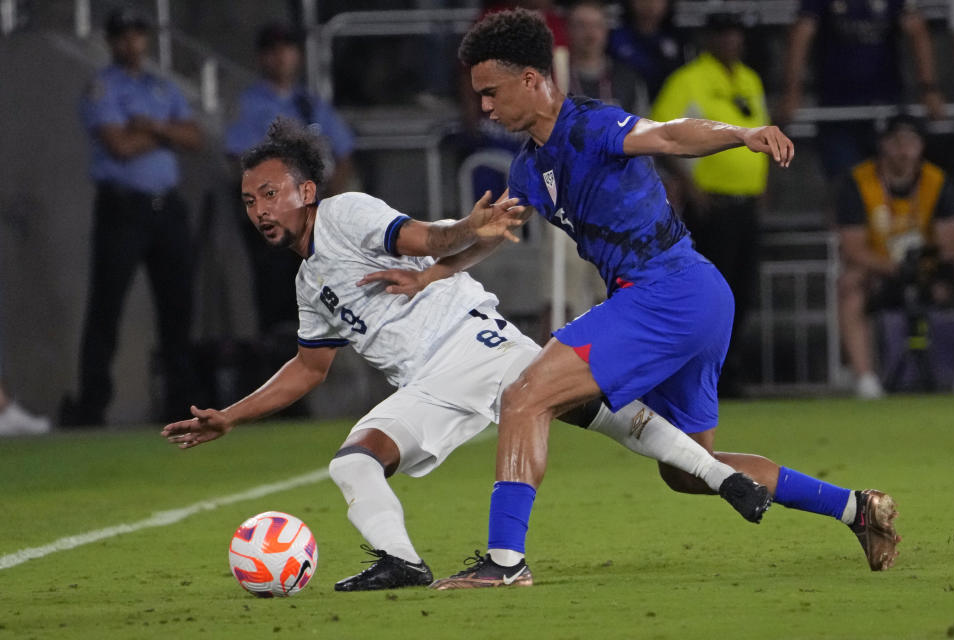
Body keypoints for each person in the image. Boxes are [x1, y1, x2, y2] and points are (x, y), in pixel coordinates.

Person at [161, 118, 771, 592]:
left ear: (308, 190)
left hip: (466, 346)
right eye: (249, 202)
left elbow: (427, 240)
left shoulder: (344, 214)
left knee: (605, 413)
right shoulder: (306, 283)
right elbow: (309, 367)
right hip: (436, 380)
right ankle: (402, 563)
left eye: (270, 194)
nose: (261, 210)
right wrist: (231, 416)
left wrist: (467, 231)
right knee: (357, 463)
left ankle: (714, 479)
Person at [421, 9, 899, 589]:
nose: (486, 108)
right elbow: (495, 235)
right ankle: (857, 510)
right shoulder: (529, 166)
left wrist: (741, 135)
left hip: (666, 293)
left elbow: (671, 133)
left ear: (530, 78)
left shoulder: (591, 126)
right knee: (689, 470)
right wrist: (434, 273)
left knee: (524, 397)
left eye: (491, 93)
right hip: (691, 296)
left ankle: (503, 563)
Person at [60, 7, 203, 426]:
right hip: (123, 207)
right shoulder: (102, 87)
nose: (131, 43)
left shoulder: (162, 86)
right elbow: (118, 145)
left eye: (137, 34)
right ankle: (92, 404)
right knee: (107, 306)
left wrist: (152, 127)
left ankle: (182, 400)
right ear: (110, 41)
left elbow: (194, 137)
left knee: (177, 306)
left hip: (166, 206)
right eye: (122, 35)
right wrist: (165, 133)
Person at [649, 12, 769, 397]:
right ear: (708, 39)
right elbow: (661, 135)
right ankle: (701, 374)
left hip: (746, 203)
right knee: (712, 294)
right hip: (710, 204)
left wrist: (760, 184)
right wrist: (688, 184)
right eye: (724, 34)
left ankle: (728, 371)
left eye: (736, 33)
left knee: (742, 291)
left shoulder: (749, 80)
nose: (732, 41)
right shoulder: (688, 81)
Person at [225, 22, 356, 336]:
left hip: (310, 219)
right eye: (273, 50)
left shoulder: (308, 103)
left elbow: (344, 150)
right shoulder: (251, 104)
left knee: (318, 303)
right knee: (277, 303)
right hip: (274, 219)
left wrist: (330, 201)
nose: (282, 57)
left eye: (288, 49)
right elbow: (238, 158)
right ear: (262, 57)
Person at [836, 114, 954, 399]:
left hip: (929, 269)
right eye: (895, 141)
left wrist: (924, 268)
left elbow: (950, 244)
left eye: (910, 141)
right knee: (849, 286)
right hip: (880, 270)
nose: (903, 149)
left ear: (921, 146)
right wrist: (895, 268)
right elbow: (852, 246)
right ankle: (866, 380)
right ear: (883, 145)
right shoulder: (858, 182)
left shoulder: (938, 182)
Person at [778, 0, 945, 178]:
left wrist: (929, 89)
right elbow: (802, 32)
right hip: (837, 111)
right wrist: (792, 91)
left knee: (894, 181)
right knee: (845, 183)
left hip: (887, 108)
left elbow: (916, 29)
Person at [568, 0, 645, 114]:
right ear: (569, 30)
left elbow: (643, 127)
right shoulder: (553, 79)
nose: (590, 33)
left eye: (596, 25)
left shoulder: (627, 79)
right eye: (581, 25)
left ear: (606, 30)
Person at [607, 0, 686, 108]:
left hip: (668, 106)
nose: (650, 4)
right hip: (626, 106)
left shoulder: (678, 39)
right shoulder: (615, 38)